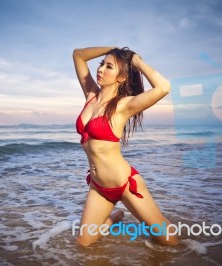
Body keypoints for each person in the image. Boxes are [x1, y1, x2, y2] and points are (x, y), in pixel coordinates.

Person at [73, 46, 179, 247]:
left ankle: (118, 215)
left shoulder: (123, 105)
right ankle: (113, 218)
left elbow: (163, 87)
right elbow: (78, 55)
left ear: (121, 77)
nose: (101, 69)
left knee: (169, 242)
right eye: (102, 64)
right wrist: (113, 48)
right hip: (98, 187)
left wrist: (135, 60)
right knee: (83, 244)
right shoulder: (91, 96)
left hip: (125, 185)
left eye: (109, 66)